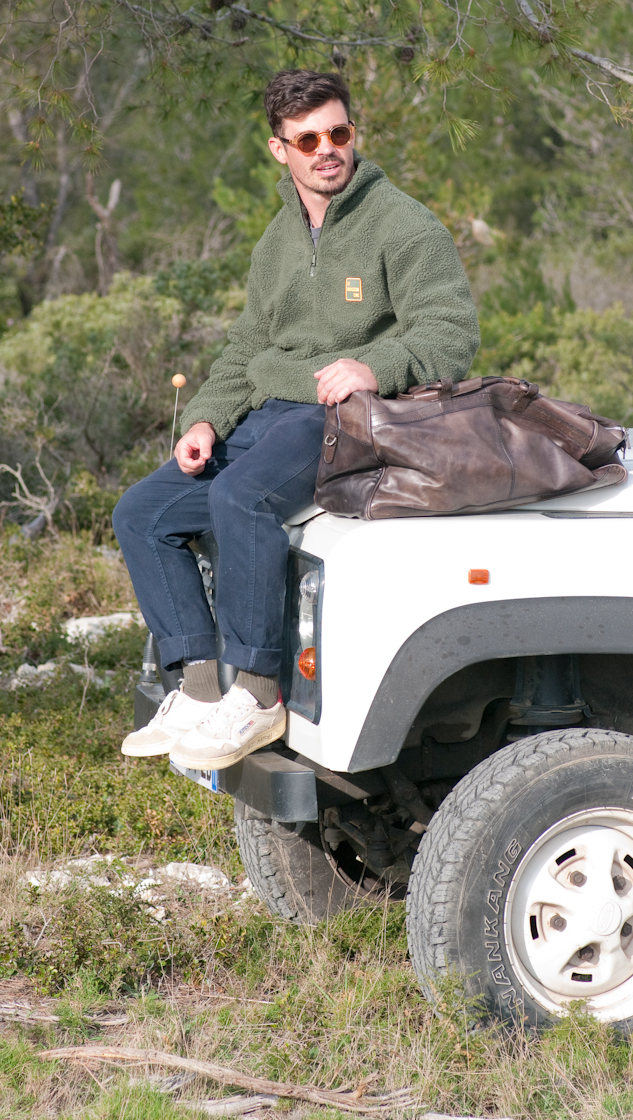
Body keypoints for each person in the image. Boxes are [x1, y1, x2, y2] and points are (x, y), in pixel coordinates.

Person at [113, 69, 480, 771]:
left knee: (240, 496)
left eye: (338, 133)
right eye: (307, 139)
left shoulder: (403, 225)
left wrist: (373, 366)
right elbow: (248, 345)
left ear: (353, 134)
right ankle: (198, 686)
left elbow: (451, 333)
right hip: (269, 411)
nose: (326, 149)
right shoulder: (279, 237)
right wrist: (206, 421)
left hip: (349, 416)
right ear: (279, 149)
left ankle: (257, 693)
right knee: (143, 513)